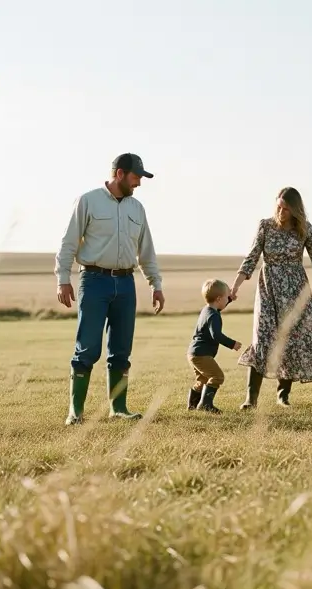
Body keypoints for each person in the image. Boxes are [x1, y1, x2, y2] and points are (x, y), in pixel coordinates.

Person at [54, 153, 165, 426]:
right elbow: (68, 242)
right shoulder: (88, 201)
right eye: (136, 177)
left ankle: (119, 408)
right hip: (94, 282)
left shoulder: (137, 209)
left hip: (126, 285)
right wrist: (62, 279)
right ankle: (75, 412)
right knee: (87, 348)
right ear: (120, 174)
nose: (139, 182)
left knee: (121, 350)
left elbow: (146, 251)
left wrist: (156, 284)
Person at [229, 186, 312, 409]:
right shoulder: (265, 226)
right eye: (279, 207)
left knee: (290, 340)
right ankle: (250, 400)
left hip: (295, 290)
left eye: (286, 209)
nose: (280, 212)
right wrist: (235, 287)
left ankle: (283, 395)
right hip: (268, 289)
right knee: (262, 339)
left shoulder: (305, 229)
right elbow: (251, 257)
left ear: (295, 210)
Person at [186, 279, 241, 413]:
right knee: (217, 377)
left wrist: (230, 300)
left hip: (193, 353)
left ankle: (192, 406)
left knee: (203, 379)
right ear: (218, 298)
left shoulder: (207, 310)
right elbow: (216, 335)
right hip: (202, 355)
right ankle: (205, 405)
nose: (228, 298)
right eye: (226, 297)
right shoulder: (214, 316)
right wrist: (232, 344)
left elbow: (220, 306)